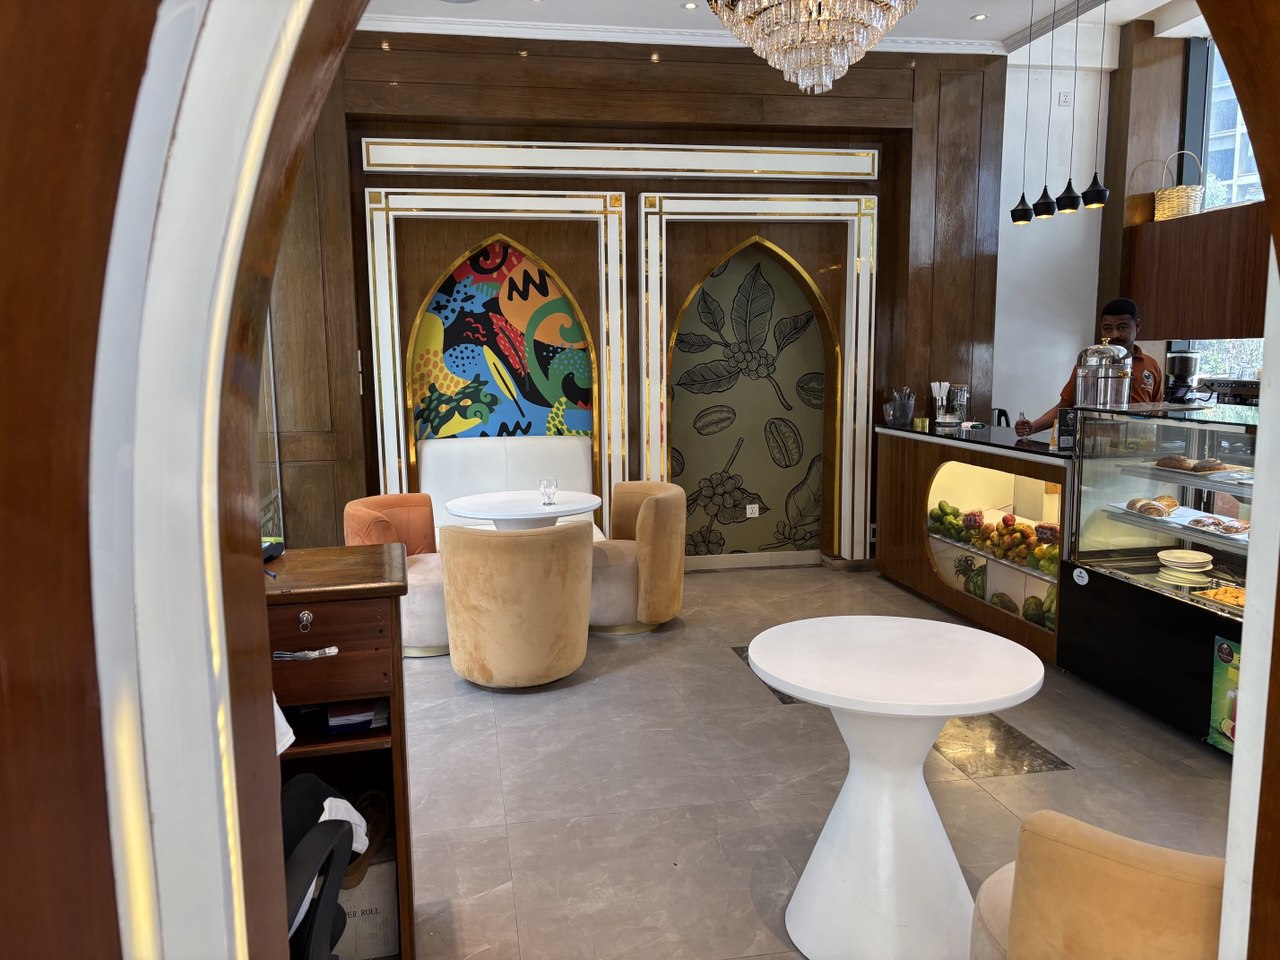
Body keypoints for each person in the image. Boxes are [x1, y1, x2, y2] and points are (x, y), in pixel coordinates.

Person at [1015, 297, 1163, 436]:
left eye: (1122, 328)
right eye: (1107, 329)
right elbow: (1065, 405)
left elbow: (1157, 411)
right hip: (1096, 444)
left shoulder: (1151, 365)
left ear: (1137, 326)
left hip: (1138, 443)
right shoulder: (1090, 364)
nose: (1114, 335)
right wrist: (1034, 426)